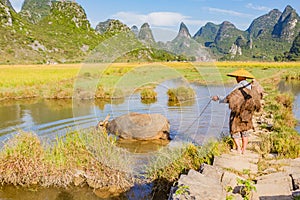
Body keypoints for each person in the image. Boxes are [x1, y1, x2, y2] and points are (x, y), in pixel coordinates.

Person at [212, 68, 262, 154]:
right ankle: (244, 149)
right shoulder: (252, 87)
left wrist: (218, 98)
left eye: (236, 77)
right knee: (245, 130)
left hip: (238, 112)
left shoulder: (238, 87)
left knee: (234, 130)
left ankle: (238, 149)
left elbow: (229, 98)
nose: (235, 78)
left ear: (240, 77)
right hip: (248, 113)